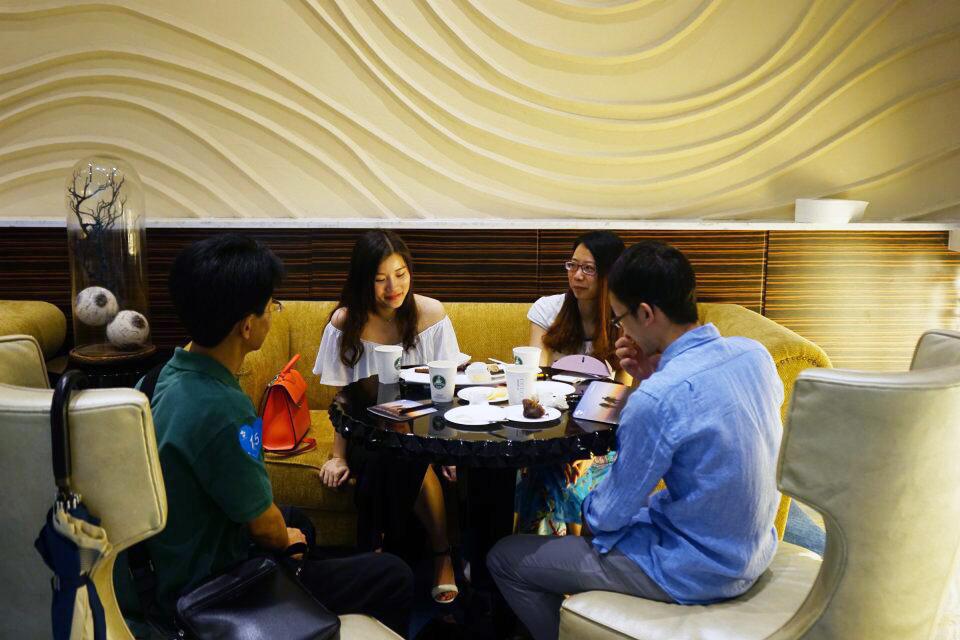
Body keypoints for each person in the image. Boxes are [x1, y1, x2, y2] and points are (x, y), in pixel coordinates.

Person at [487, 240, 784, 640]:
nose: (621, 330)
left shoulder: (657, 399)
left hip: (694, 568)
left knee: (505, 557)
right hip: (753, 547)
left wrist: (583, 502)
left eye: (620, 319)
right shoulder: (754, 355)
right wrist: (653, 373)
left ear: (645, 313)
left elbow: (606, 516)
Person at [136, 234, 413, 636]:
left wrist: (289, 532)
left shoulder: (160, 377)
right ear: (247, 326)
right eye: (271, 305)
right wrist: (285, 540)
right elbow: (264, 526)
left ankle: (303, 594)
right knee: (394, 573)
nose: (273, 313)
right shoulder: (223, 409)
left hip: (170, 557)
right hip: (215, 582)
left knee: (298, 520)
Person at [313, 230, 460, 604]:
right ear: (363, 281)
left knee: (409, 451)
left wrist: (449, 450)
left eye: (400, 274)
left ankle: (378, 550)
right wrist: (338, 456)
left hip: (424, 429)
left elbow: (447, 389)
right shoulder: (345, 322)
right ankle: (440, 555)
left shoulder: (431, 314)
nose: (393, 288)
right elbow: (342, 399)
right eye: (380, 279)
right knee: (396, 453)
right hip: (367, 431)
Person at [516, 231, 625, 536]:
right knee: (547, 468)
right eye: (572, 265)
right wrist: (560, 447)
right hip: (551, 429)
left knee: (572, 475)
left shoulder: (623, 319)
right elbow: (535, 378)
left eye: (588, 268)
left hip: (601, 436)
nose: (577, 275)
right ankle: (551, 552)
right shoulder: (547, 310)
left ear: (609, 274)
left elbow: (622, 397)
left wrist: (586, 452)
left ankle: (565, 552)